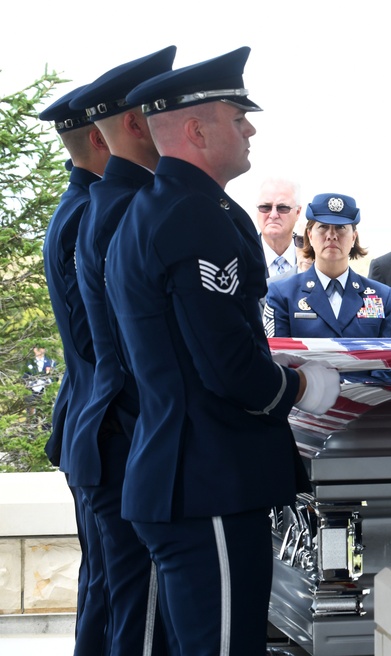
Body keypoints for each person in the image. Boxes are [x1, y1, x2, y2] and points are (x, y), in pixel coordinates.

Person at [103, 47, 341, 656]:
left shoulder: (155, 207)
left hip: (183, 472)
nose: (250, 128)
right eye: (237, 117)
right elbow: (225, 362)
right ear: (195, 129)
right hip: (207, 477)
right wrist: (299, 387)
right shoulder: (193, 216)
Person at [69, 46, 178, 656]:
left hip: (113, 429)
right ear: (137, 124)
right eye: (161, 110)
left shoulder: (103, 203)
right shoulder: (130, 209)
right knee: (141, 622)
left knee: (120, 606)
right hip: (131, 432)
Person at [39, 85, 111, 656]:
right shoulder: (90, 213)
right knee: (114, 592)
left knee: (106, 586)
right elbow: (96, 339)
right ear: (97, 136)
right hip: (104, 423)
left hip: (90, 418)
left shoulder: (79, 206)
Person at [264, 193, 391, 338]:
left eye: (340, 228)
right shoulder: (283, 294)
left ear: (353, 237)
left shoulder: (382, 296)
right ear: (310, 236)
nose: (331, 235)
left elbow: (390, 355)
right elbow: (276, 356)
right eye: (323, 227)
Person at [255, 177, 302, 283]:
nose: (273, 215)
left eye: (282, 208)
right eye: (265, 207)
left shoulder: (315, 258)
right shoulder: (241, 257)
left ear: (298, 212)